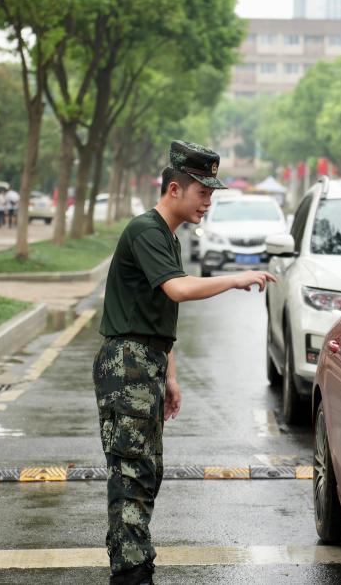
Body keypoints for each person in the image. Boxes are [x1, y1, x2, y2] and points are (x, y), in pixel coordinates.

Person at [94, 141, 276, 585]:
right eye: (202, 193)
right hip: (127, 364)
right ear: (174, 189)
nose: (208, 202)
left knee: (146, 470)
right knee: (132, 473)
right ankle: (131, 573)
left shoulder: (167, 236)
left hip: (146, 361)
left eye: (211, 194)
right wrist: (234, 279)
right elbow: (177, 289)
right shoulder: (146, 230)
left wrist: (171, 376)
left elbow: (160, 312)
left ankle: (135, 564)